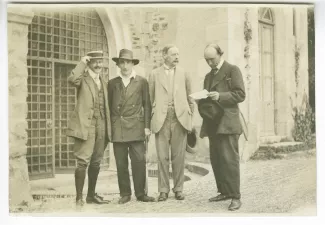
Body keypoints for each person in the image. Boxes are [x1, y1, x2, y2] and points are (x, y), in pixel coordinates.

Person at [199, 43, 246, 211]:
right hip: (213, 123)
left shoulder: (232, 70)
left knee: (230, 160)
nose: (210, 63)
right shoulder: (208, 76)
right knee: (217, 159)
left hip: (228, 123)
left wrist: (221, 96)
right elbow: (207, 97)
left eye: (212, 59)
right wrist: (200, 98)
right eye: (207, 60)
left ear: (220, 54)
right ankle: (224, 191)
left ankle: (235, 197)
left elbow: (240, 94)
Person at [108, 49, 155, 204]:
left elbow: (147, 105)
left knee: (139, 162)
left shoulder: (141, 81)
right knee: (121, 163)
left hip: (136, 126)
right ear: (118, 64)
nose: (125, 65)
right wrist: (110, 129)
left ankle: (141, 193)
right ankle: (125, 193)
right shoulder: (112, 83)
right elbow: (108, 107)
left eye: (128, 62)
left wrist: (147, 126)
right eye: (122, 62)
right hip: (118, 127)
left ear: (132, 63)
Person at [149, 44, 195, 201]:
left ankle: (179, 189)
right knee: (162, 157)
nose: (177, 57)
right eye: (173, 54)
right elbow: (150, 99)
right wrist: (150, 120)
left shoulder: (184, 73)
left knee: (179, 156)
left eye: (178, 54)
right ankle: (163, 190)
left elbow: (190, 97)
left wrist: (190, 117)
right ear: (164, 56)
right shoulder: (154, 74)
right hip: (161, 118)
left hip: (179, 118)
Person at [67, 50, 111, 206]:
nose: (99, 64)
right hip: (86, 126)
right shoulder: (82, 79)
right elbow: (72, 78)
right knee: (82, 162)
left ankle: (91, 196)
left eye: (101, 61)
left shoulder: (104, 82)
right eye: (95, 61)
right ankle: (79, 198)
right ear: (90, 62)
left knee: (96, 162)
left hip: (102, 127)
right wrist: (82, 63)